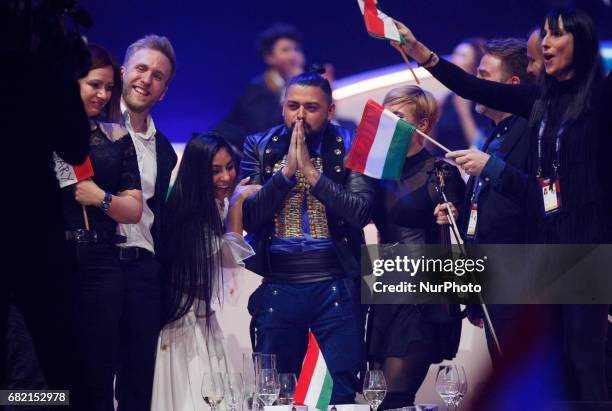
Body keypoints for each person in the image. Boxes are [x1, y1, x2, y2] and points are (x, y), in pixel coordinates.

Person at [393, 8, 611, 400]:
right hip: (542, 252)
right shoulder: (540, 100)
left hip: (587, 247)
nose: (545, 43)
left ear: (581, 42)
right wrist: (420, 51)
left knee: (584, 362)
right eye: (544, 34)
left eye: (556, 35)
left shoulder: (601, 98)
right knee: (546, 366)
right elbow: (476, 89)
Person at [241, 70, 376, 404]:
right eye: (293, 106)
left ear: (330, 110)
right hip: (279, 283)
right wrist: (287, 173)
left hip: (335, 283)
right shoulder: (257, 146)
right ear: (282, 107)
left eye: (311, 107)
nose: (300, 115)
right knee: (277, 393)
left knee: (339, 391)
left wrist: (312, 174)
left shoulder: (352, 144)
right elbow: (248, 216)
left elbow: (360, 212)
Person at [433, 38, 533, 367]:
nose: (475, 85)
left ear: (512, 85)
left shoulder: (532, 130)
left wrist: (491, 167)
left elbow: (540, 199)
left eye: (483, 75)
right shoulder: (496, 130)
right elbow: (488, 209)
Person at [367, 85, 465, 409]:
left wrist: (450, 215)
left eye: (396, 117)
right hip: (383, 290)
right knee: (376, 397)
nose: (386, 123)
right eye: (383, 116)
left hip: (420, 294)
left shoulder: (440, 172)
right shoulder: (376, 172)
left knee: (394, 400)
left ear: (422, 124)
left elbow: (458, 228)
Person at [151, 133, 259, 411]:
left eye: (230, 167)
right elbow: (232, 258)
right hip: (182, 325)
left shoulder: (210, 203)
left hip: (202, 317)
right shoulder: (191, 213)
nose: (226, 177)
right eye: (215, 171)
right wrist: (236, 205)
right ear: (199, 171)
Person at [62, 44, 143, 411]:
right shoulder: (39, 137)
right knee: (41, 372)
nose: (103, 95)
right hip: (52, 262)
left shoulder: (116, 137)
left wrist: (100, 197)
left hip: (101, 263)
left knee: (99, 372)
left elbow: (134, 210)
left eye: (109, 87)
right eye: (95, 84)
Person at [114, 35, 178, 411]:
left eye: (157, 75)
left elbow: (160, 219)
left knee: (139, 383)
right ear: (124, 71)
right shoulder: (91, 129)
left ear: (164, 91)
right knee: (91, 374)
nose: (146, 79)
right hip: (97, 263)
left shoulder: (164, 149)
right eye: (140, 68)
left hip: (143, 272)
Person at [215, 23, 305, 151]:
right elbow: (265, 131)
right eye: (286, 50)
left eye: (296, 50)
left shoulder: (305, 87)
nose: (293, 55)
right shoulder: (256, 90)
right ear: (269, 57)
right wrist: (293, 87)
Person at [432, 38, 489, 152]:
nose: (454, 60)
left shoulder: (483, 100)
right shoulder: (447, 99)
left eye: (462, 55)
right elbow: (432, 146)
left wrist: (464, 112)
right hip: (445, 164)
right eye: (455, 54)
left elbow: (482, 148)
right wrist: (432, 116)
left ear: (475, 64)